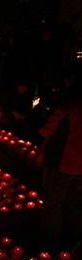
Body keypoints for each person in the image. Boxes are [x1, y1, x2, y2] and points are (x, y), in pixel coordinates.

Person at [38, 85, 82, 247]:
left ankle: (51, 240)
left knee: (54, 202)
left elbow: (45, 132)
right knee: (75, 202)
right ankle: (73, 237)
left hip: (64, 162)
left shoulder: (67, 109)